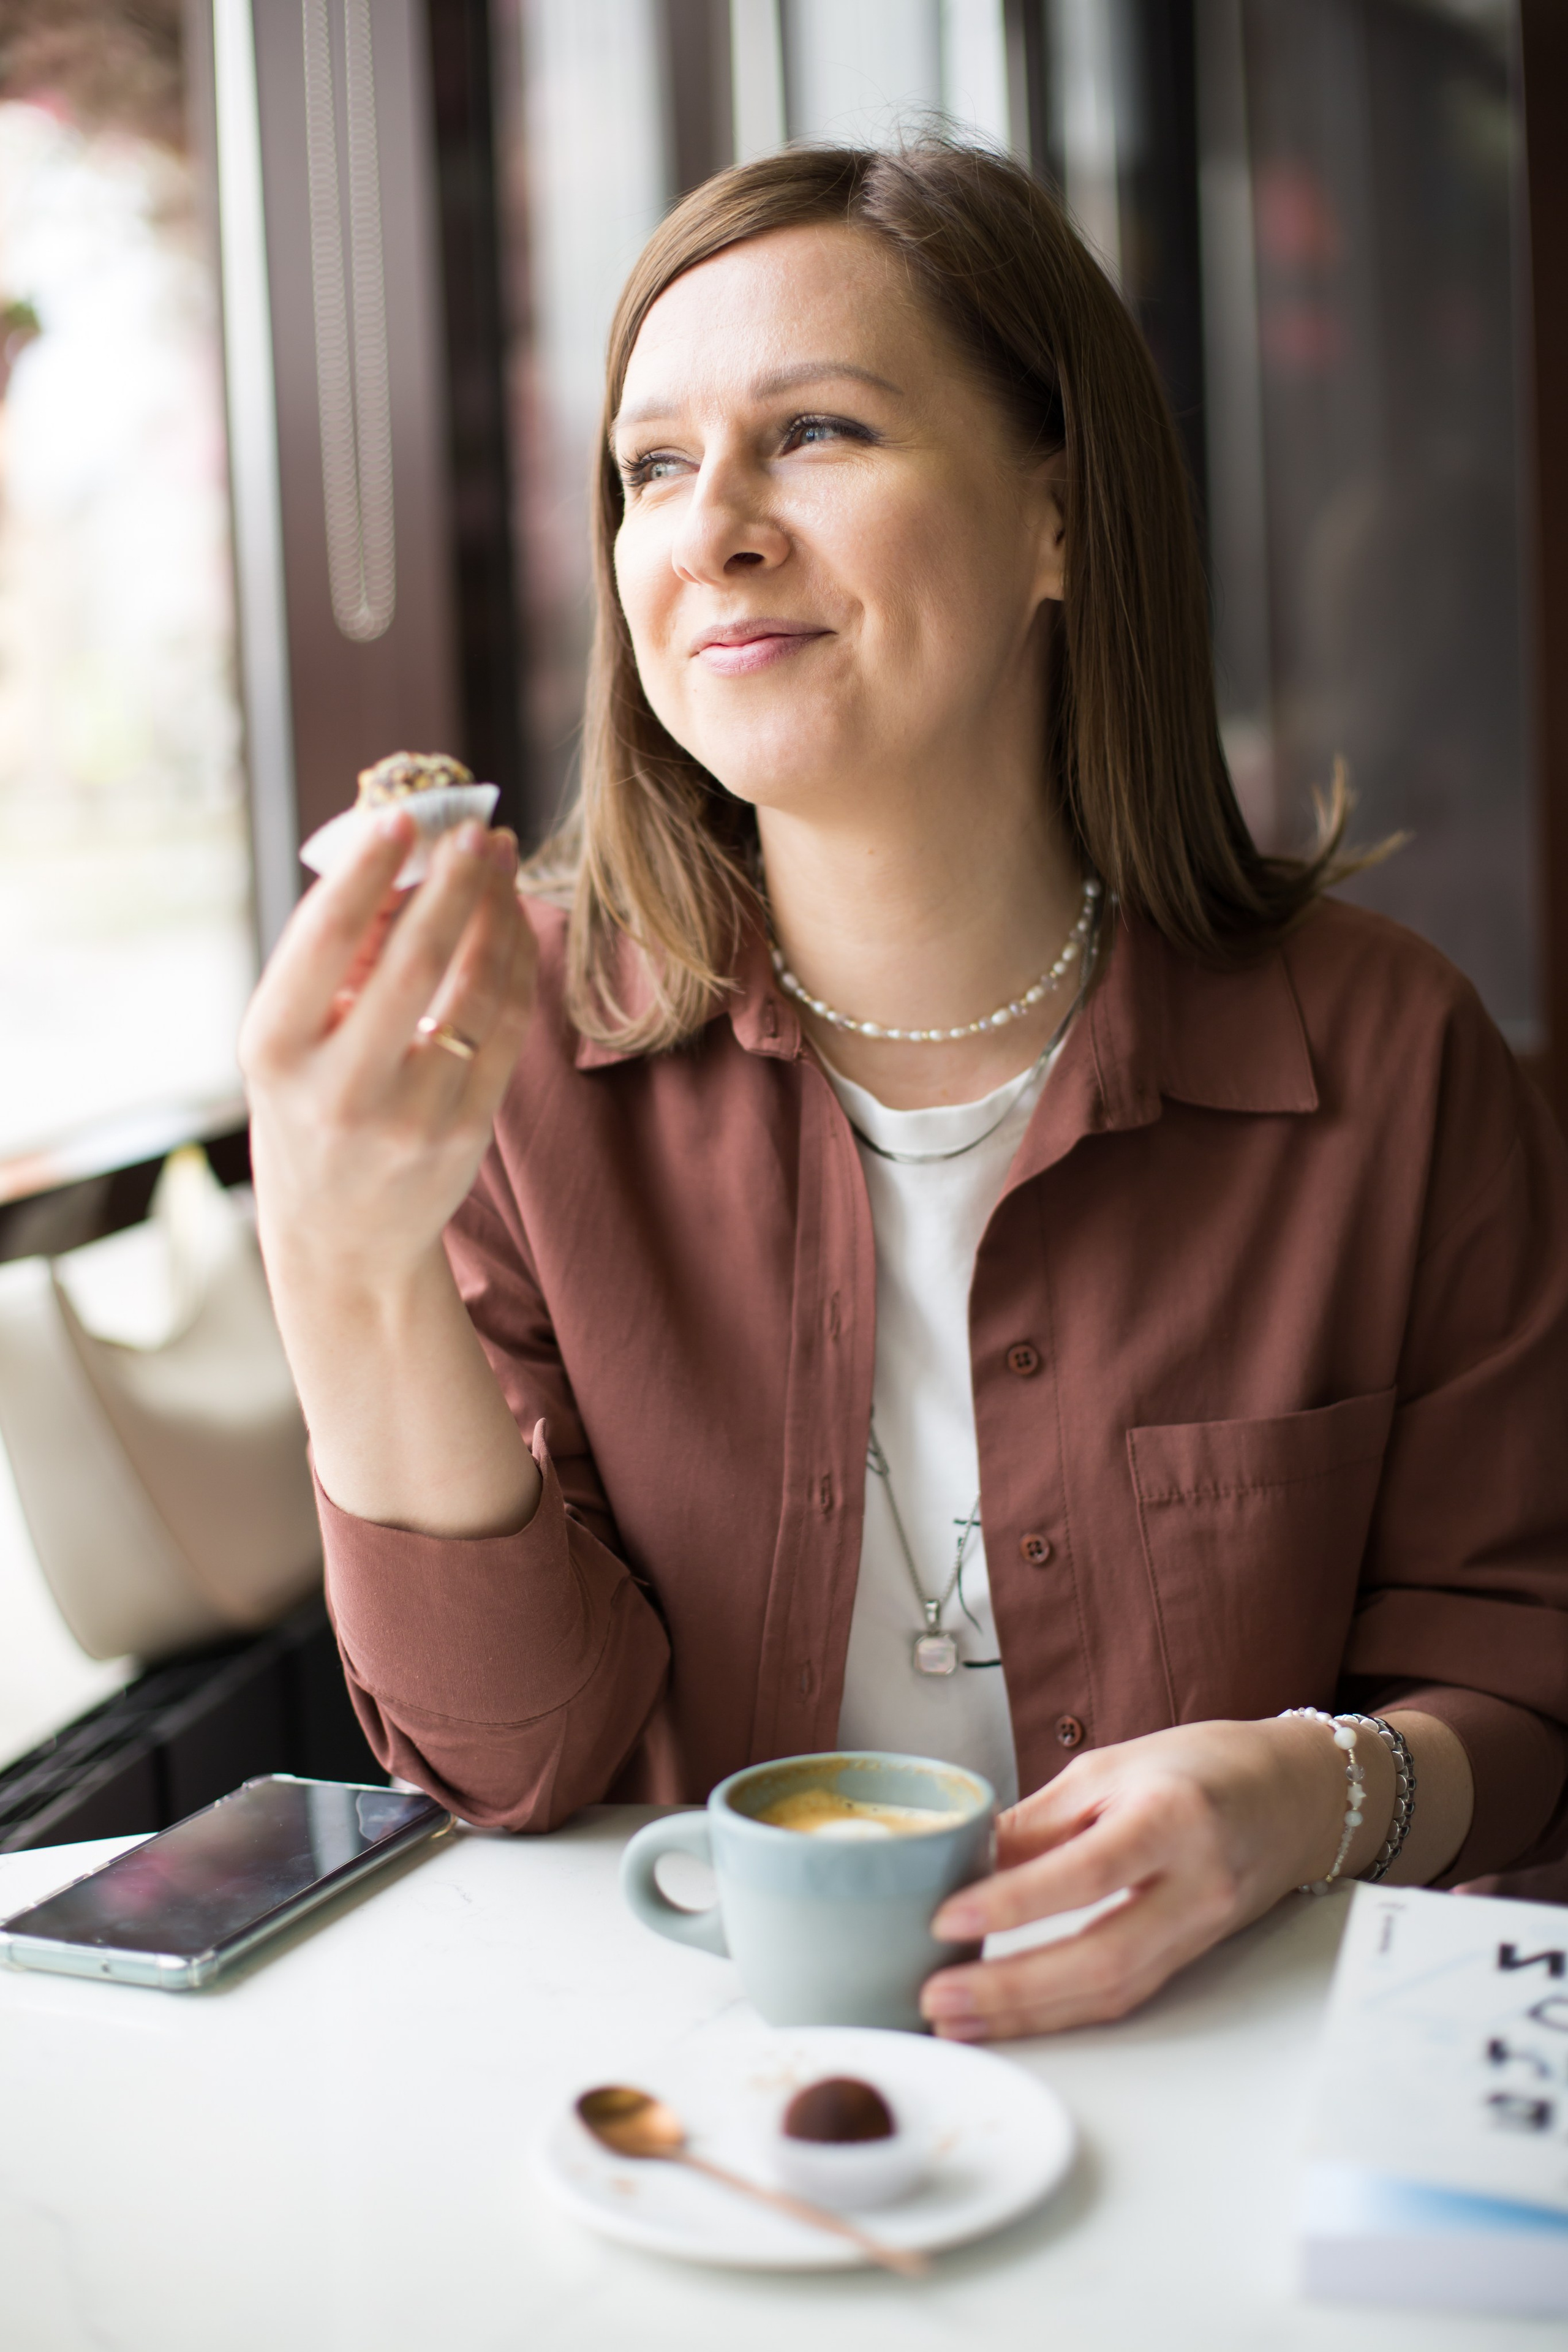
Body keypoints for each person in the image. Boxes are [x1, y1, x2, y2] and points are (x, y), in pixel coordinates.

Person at [241, 141, 1568, 2042]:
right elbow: (513, 1768)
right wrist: (344, 1268)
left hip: (1233, 2109)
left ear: (1057, 518)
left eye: (821, 433)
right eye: (653, 468)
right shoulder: (502, 1055)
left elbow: (1525, 1710)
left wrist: (1303, 1793)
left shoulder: (1389, 1056)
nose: (712, 534)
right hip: (707, 2116)